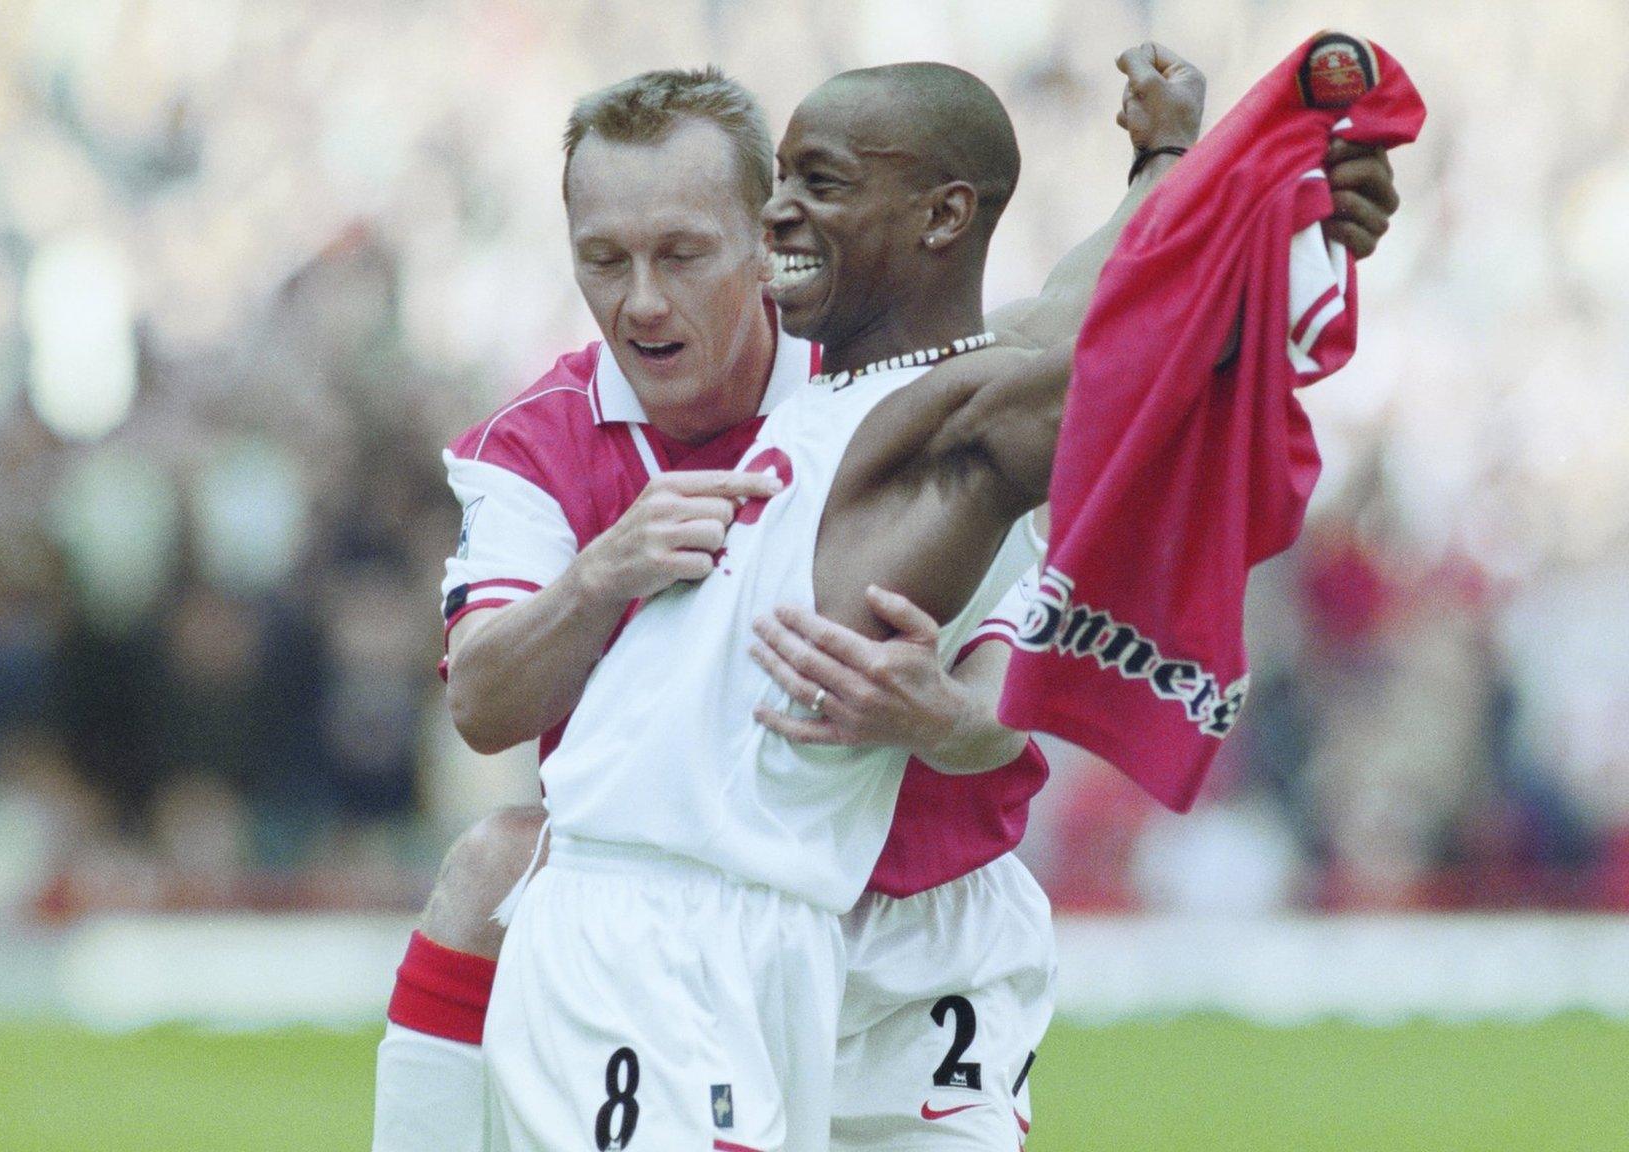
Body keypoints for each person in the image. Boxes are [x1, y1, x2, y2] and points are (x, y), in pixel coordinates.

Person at [395, 49, 1398, 1152]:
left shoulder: (873, 386)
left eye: (687, 250)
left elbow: (1085, 326)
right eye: (603, 259)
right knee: (497, 853)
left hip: (889, 909)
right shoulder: (587, 439)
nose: (642, 298)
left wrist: (1204, 184)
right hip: (675, 917)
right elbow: (1105, 354)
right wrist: (1258, 220)